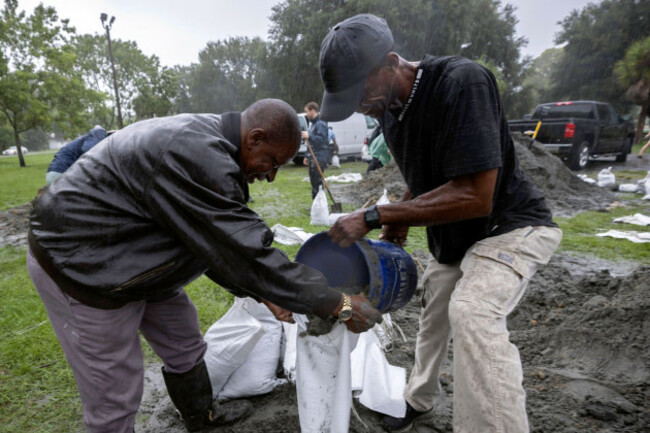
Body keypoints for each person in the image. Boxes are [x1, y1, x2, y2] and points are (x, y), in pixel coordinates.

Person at [27, 98, 382, 433]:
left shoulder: (213, 146)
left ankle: (201, 417)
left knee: (183, 340)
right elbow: (246, 252)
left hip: (134, 255)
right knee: (114, 391)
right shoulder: (196, 153)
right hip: (83, 266)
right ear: (255, 138)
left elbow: (209, 241)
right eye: (272, 162)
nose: (271, 175)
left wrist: (261, 294)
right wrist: (341, 304)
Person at [318, 14, 562, 433]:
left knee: (472, 311)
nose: (361, 105)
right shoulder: (390, 112)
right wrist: (398, 223)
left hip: (510, 226)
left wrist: (377, 215)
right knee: (435, 312)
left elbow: (474, 195)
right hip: (457, 237)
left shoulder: (461, 84)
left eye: (363, 92)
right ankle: (418, 399)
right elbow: (429, 179)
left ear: (392, 62)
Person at [301, 101, 329, 198]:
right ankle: (316, 205)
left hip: (319, 157)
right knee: (314, 183)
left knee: (317, 183)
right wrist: (307, 156)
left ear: (312, 110)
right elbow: (311, 143)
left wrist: (309, 136)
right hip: (313, 157)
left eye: (307, 111)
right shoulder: (313, 124)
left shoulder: (320, 123)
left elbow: (322, 140)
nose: (306, 114)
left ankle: (320, 207)